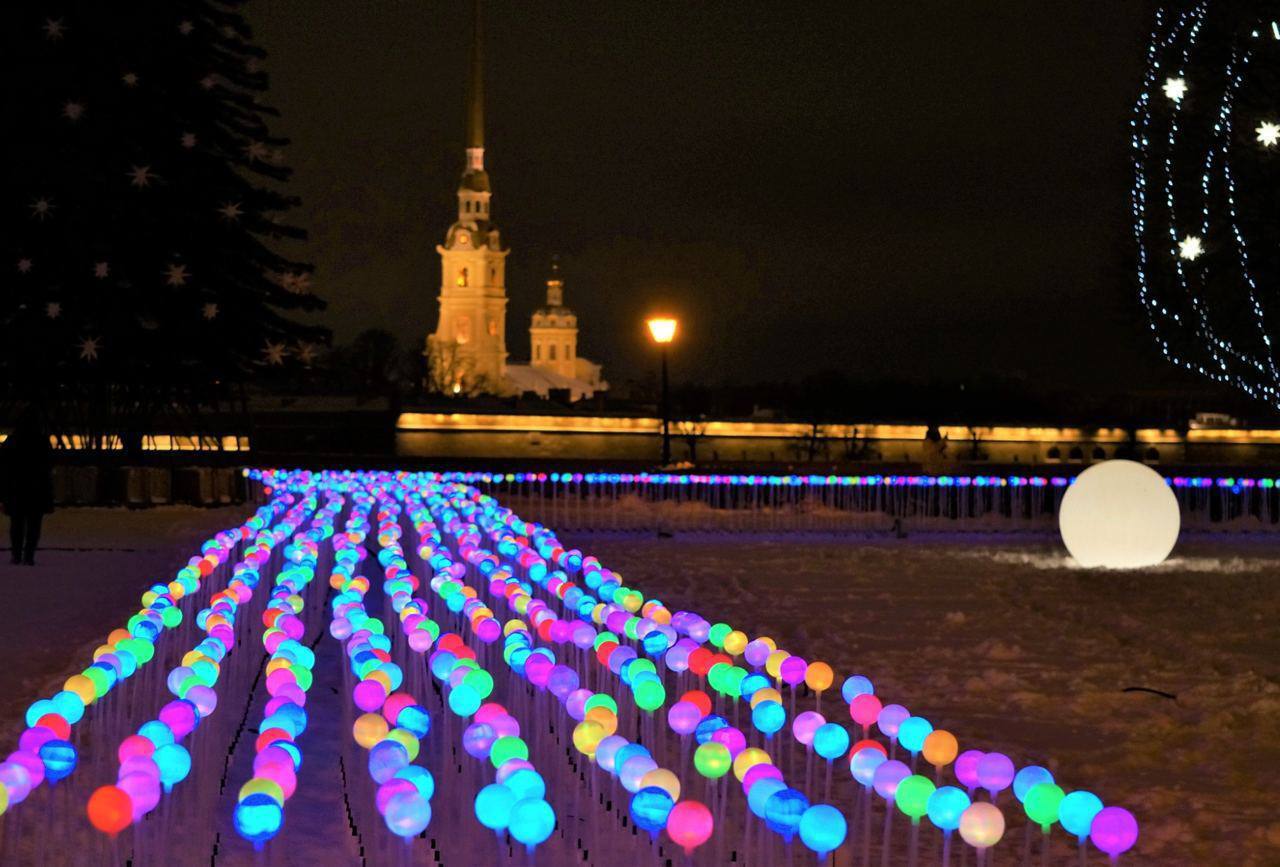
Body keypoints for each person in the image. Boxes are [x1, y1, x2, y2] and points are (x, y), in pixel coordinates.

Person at [2, 408, 54, 566]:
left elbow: (5, 467)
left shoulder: (12, 441)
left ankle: (17, 555)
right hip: (36, 489)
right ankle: (29, 556)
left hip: (16, 489)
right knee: (33, 525)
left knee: (17, 524)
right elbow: (47, 467)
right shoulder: (42, 441)